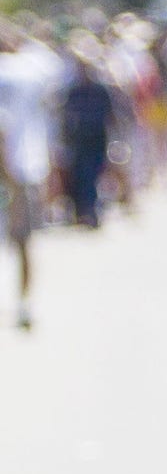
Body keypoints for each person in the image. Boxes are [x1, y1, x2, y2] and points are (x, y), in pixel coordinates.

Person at [0, 22, 64, 329]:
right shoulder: (32, 70)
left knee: (22, 240)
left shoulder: (16, 72)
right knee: (24, 242)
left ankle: (24, 303)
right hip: (23, 168)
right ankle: (24, 303)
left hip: (15, 168)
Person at [57, 34, 118, 229]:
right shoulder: (72, 91)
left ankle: (92, 211)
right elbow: (65, 116)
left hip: (97, 138)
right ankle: (84, 212)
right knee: (81, 177)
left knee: (93, 176)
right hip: (79, 140)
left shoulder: (101, 89)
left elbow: (111, 115)